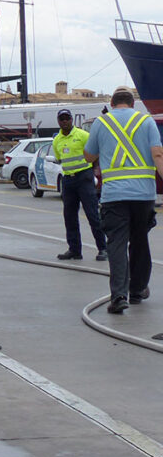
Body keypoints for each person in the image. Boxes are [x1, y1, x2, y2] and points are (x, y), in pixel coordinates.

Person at [83, 87, 163, 313]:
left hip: (114, 196)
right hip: (144, 195)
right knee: (140, 241)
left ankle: (119, 296)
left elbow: (89, 156)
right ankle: (137, 291)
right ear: (132, 104)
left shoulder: (102, 122)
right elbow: (158, 154)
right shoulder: (146, 122)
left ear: (112, 103)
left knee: (117, 244)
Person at [52, 109, 107, 262]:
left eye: (67, 118)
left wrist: (95, 169)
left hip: (84, 178)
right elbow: (59, 158)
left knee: (92, 214)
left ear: (71, 120)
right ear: (58, 121)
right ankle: (74, 250)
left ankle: (103, 248)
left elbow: (95, 152)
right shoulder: (57, 140)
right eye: (61, 119)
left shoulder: (83, 135)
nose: (64, 121)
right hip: (68, 180)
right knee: (69, 216)